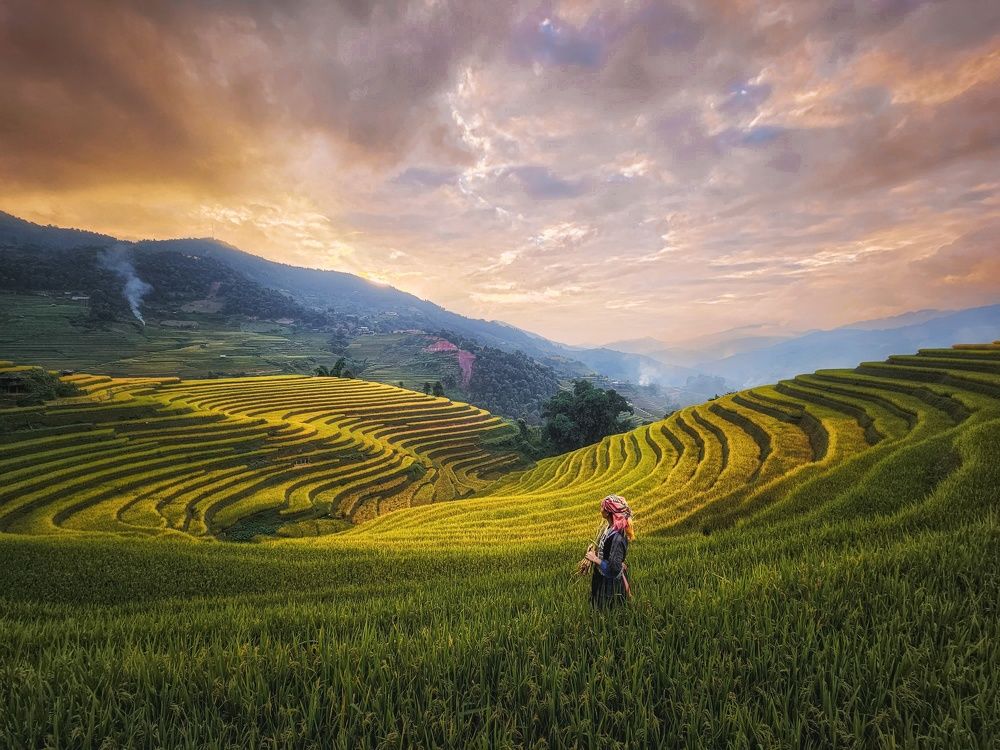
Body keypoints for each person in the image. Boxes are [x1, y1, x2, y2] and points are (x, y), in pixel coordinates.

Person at [577, 494, 634, 608]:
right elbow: (608, 553)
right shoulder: (609, 528)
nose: (600, 509)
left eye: (602, 507)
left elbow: (613, 570)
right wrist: (595, 551)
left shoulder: (617, 537)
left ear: (608, 512)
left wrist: (594, 558)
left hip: (610, 584)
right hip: (601, 577)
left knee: (608, 613)